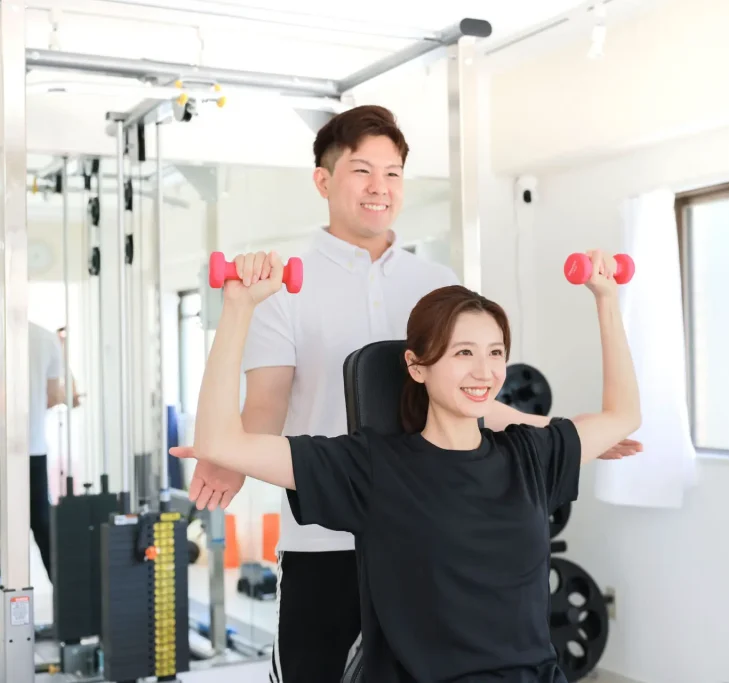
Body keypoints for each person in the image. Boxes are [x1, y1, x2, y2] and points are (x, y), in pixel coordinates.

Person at [184, 105, 640, 682]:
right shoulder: (284, 281)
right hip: (330, 525)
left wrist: (561, 435)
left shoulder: (437, 283)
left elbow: (469, 393)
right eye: (362, 171)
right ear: (324, 180)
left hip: (428, 530)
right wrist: (232, 461)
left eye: (393, 173)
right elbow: (266, 406)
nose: (380, 188)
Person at [28, 321, 66, 580]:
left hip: (26, 447)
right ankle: (64, 599)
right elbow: (53, 396)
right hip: (31, 447)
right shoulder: (45, 338)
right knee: (41, 522)